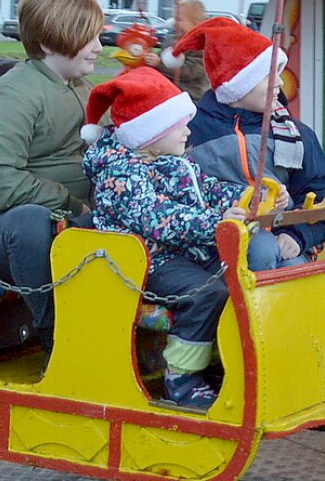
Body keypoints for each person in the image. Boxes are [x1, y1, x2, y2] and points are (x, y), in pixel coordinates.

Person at [82, 67, 249, 409]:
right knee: (207, 292)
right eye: (179, 124)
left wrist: (247, 197)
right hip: (146, 261)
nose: (188, 131)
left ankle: (221, 363)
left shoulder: (171, 160)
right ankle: (182, 377)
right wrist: (216, 223)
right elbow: (153, 218)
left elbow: (208, 189)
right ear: (150, 131)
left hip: (179, 253)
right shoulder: (121, 170)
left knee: (243, 278)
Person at [0, 0, 104, 351]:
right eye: (88, 38)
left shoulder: (81, 88)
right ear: (51, 42)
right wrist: (71, 204)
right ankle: (53, 334)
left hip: (66, 219)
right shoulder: (14, 94)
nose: (99, 48)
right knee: (29, 221)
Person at [165, 17, 325, 268]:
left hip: (284, 238)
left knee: (291, 265)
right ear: (238, 86)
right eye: (268, 76)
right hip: (213, 243)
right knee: (261, 249)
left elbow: (324, 193)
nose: (280, 83)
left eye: (279, 73)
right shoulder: (191, 132)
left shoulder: (294, 133)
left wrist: (300, 235)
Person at [149, 0, 211, 103]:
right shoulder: (172, 40)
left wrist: (159, 64)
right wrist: (149, 59)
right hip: (167, 91)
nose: (174, 23)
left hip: (190, 97)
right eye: (175, 19)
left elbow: (189, 71)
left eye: (179, 20)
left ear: (196, 23)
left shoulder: (201, 46)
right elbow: (160, 57)